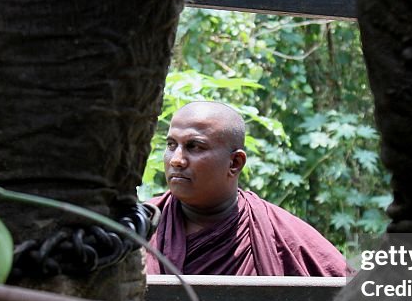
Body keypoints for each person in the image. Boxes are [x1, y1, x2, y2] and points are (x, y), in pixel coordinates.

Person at [145, 101, 351, 277]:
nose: (176, 160)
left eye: (195, 147)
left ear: (235, 163)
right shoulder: (138, 225)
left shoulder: (279, 235)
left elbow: (356, 295)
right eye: (171, 145)